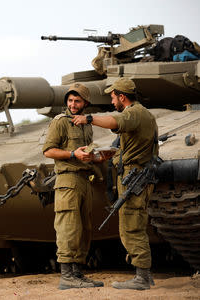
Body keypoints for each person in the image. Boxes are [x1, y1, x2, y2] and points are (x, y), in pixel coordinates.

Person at [72, 77, 158, 290]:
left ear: (122, 97)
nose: (112, 101)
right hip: (132, 175)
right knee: (131, 224)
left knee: (132, 226)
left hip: (135, 177)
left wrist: (89, 118)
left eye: (113, 97)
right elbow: (128, 143)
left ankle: (142, 277)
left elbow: (115, 122)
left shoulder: (134, 113)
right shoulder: (139, 114)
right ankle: (143, 275)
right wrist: (107, 155)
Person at [42, 83, 104, 290]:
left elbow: (84, 151)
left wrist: (95, 157)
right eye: (70, 100)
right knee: (68, 227)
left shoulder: (87, 124)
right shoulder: (60, 122)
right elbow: (48, 151)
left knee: (83, 229)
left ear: (85, 103)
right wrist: (72, 154)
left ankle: (77, 273)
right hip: (68, 180)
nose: (73, 104)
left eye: (77, 101)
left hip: (84, 179)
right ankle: (67, 276)